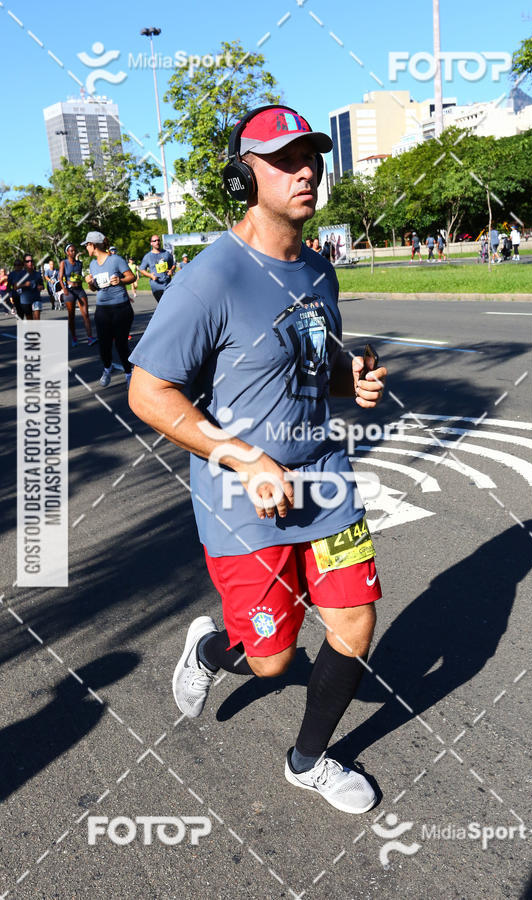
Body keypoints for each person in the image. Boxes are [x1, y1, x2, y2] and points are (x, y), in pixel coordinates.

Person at [129, 104, 388, 814]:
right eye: (282, 159)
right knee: (271, 659)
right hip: (244, 498)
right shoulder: (209, 278)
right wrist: (242, 459)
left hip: (324, 478)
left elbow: (313, 364)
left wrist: (350, 380)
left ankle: (307, 762)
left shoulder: (317, 268)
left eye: (311, 156)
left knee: (354, 623)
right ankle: (212, 650)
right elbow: (150, 392)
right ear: (245, 177)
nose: (306, 170)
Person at [83, 231, 135, 387]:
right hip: (102, 309)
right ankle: (107, 369)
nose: (86, 248)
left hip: (121, 307)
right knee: (104, 344)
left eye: (87, 244)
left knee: (121, 344)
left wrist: (120, 281)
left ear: (93, 245)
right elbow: (94, 289)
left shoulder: (115, 260)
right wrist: (90, 283)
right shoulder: (92, 264)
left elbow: (132, 277)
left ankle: (128, 373)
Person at [59, 244, 96, 347]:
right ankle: (74, 338)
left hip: (79, 290)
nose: (73, 252)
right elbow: (60, 278)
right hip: (69, 291)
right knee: (71, 316)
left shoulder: (79, 264)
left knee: (86, 314)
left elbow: (79, 276)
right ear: (67, 252)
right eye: (71, 251)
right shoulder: (64, 263)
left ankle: (90, 338)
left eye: (74, 250)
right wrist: (64, 289)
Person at [138, 235, 175, 302]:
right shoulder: (148, 256)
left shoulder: (166, 254)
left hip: (168, 284)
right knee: (163, 305)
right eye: (154, 241)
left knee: (171, 303)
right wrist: (150, 275)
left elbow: (173, 264)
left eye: (158, 240)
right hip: (156, 286)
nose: (157, 242)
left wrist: (171, 270)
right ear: (151, 243)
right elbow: (141, 269)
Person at [9, 255, 44, 320]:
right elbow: (15, 287)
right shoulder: (20, 274)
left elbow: (42, 285)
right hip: (25, 300)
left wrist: (41, 287)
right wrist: (24, 284)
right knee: (29, 320)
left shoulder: (37, 274)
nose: (30, 263)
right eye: (27, 261)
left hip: (36, 298)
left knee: (37, 319)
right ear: (24, 263)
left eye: (31, 261)